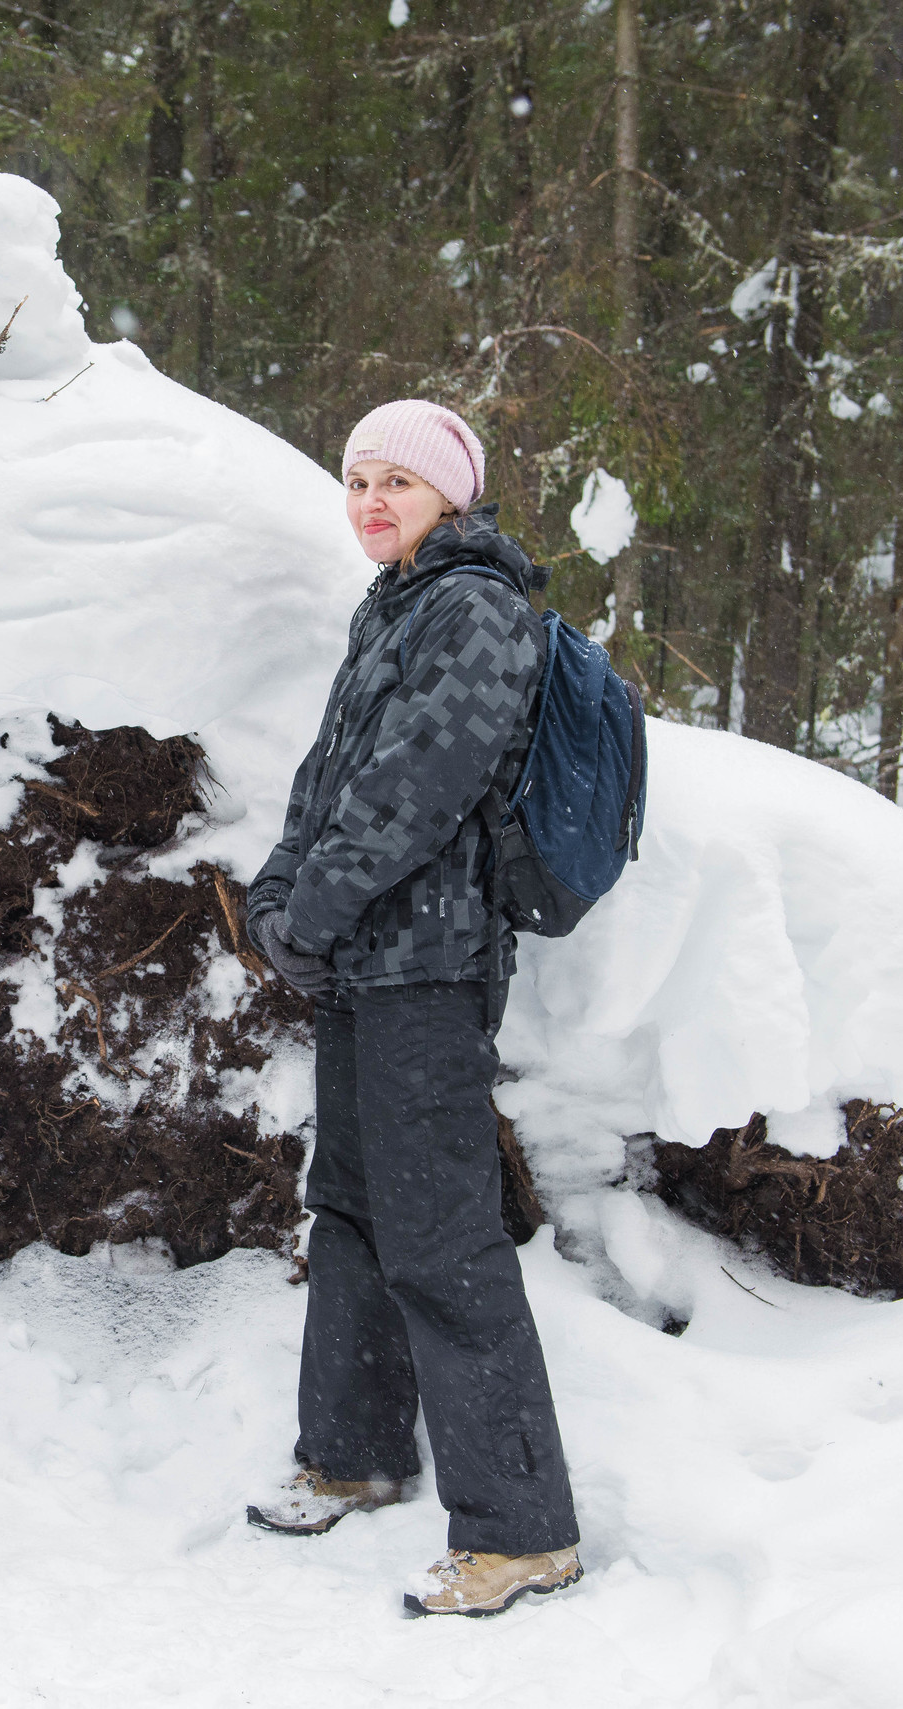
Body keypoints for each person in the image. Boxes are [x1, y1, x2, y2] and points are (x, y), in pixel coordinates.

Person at [241, 399, 582, 1620]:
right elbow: (328, 776)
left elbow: (415, 791)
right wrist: (279, 888)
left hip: (428, 970)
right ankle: (353, 1450)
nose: (372, 499)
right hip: (359, 963)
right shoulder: (390, 602)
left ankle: (521, 1529)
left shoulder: (477, 609)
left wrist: (313, 910)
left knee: (440, 1236)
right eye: (357, 478)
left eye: (400, 480)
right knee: (351, 1208)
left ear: (453, 496)